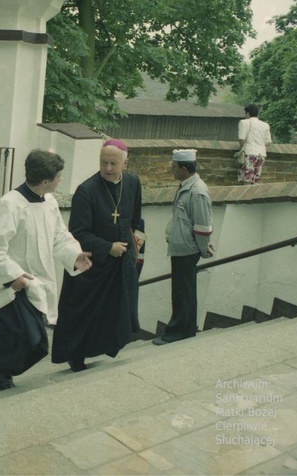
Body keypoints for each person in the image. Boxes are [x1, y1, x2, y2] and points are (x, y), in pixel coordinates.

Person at [0, 149, 92, 390]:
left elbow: (59, 236)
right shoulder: (9, 205)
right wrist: (14, 276)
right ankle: (0, 369)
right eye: (58, 177)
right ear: (44, 181)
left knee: (32, 340)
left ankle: (1, 370)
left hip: (39, 283)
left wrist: (74, 254)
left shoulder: (49, 202)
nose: (61, 180)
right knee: (32, 341)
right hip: (16, 287)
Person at [51, 139, 145, 372]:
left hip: (120, 263)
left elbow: (136, 220)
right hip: (92, 264)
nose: (108, 168)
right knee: (86, 314)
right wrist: (107, 247)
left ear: (125, 163)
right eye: (104, 162)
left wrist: (138, 243)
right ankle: (77, 356)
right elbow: (78, 232)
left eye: (114, 163)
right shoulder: (87, 190)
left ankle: (109, 348)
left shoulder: (132, 183)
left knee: (115, 312)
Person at [152, 149, 215, 345]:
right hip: (182, 247)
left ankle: (175, 332)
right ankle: (187, 330)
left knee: (181, 292)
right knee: (185, 291)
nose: (172, 169)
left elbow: (203, 227)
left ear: (184, 169)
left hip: (187, 249)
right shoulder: (187, 186)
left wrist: (203, 249)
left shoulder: (197, 191)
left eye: (174, 167)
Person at [237, 104, 272, 184]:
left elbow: (241, 138)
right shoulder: (265, 125)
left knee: (246, 179)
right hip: (261, 155)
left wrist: (244, 146)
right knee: (256, 180)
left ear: (248, 113)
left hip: (249, 153)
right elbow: (268, 141)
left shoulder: (244, 122)